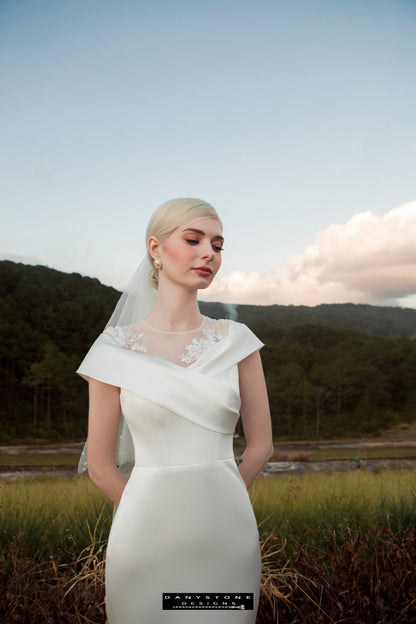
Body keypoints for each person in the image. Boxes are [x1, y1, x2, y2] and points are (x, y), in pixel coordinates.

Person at [76, 197, 273, 623]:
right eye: (194, 239)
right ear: (155, 249)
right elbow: (100, 466)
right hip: (144, 541)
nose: (209, 253)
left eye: (218, 245)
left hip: (227, 538)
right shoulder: (114, 350)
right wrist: (150, 518)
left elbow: (261, 447)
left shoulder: (238, 342)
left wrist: (225, 505)